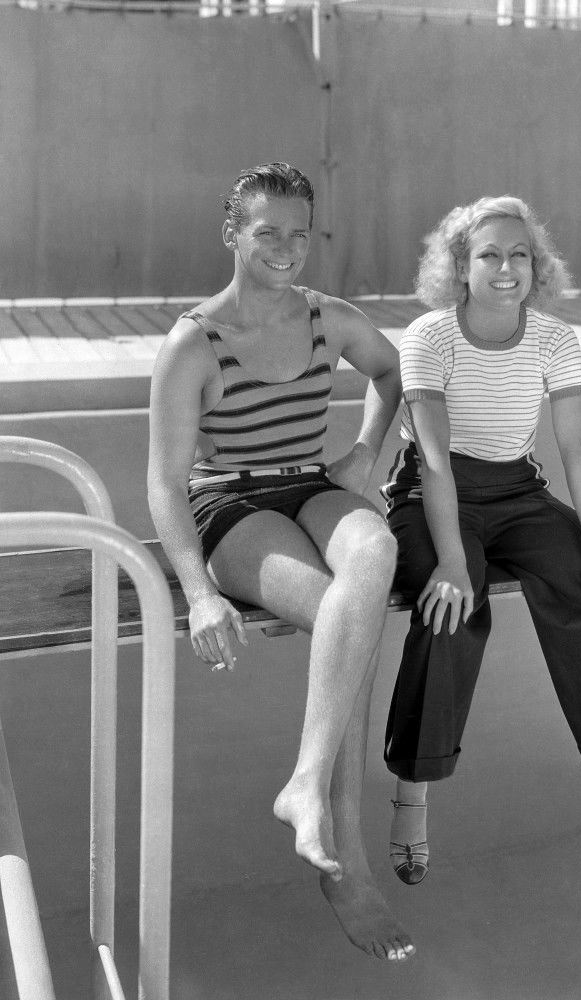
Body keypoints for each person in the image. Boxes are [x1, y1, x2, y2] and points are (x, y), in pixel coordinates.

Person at [147, 162, 414, 960]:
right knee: (353, 618)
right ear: (232, 233)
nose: (288, 249)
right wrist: (199, 592)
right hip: (226, 502)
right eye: (269, 233)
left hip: (308, 483)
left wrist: (365, 451)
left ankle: (305, 785)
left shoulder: (326, 319)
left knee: (374, 550)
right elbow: (162, 483)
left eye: (300, 234)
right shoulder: (194, 343)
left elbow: (394, 369)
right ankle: (348, 865)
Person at [381, 196, 581, 886]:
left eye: (519, 254)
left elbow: (575, 454)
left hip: (519, 494)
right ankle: (411, 793)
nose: (506, 267)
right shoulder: (428, 336)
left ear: (535, 265)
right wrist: (453, 563)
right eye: (488, 253)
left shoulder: (552, 339)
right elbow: (431, 459)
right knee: (453, 611)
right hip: (431, 495)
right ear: (459, 266)